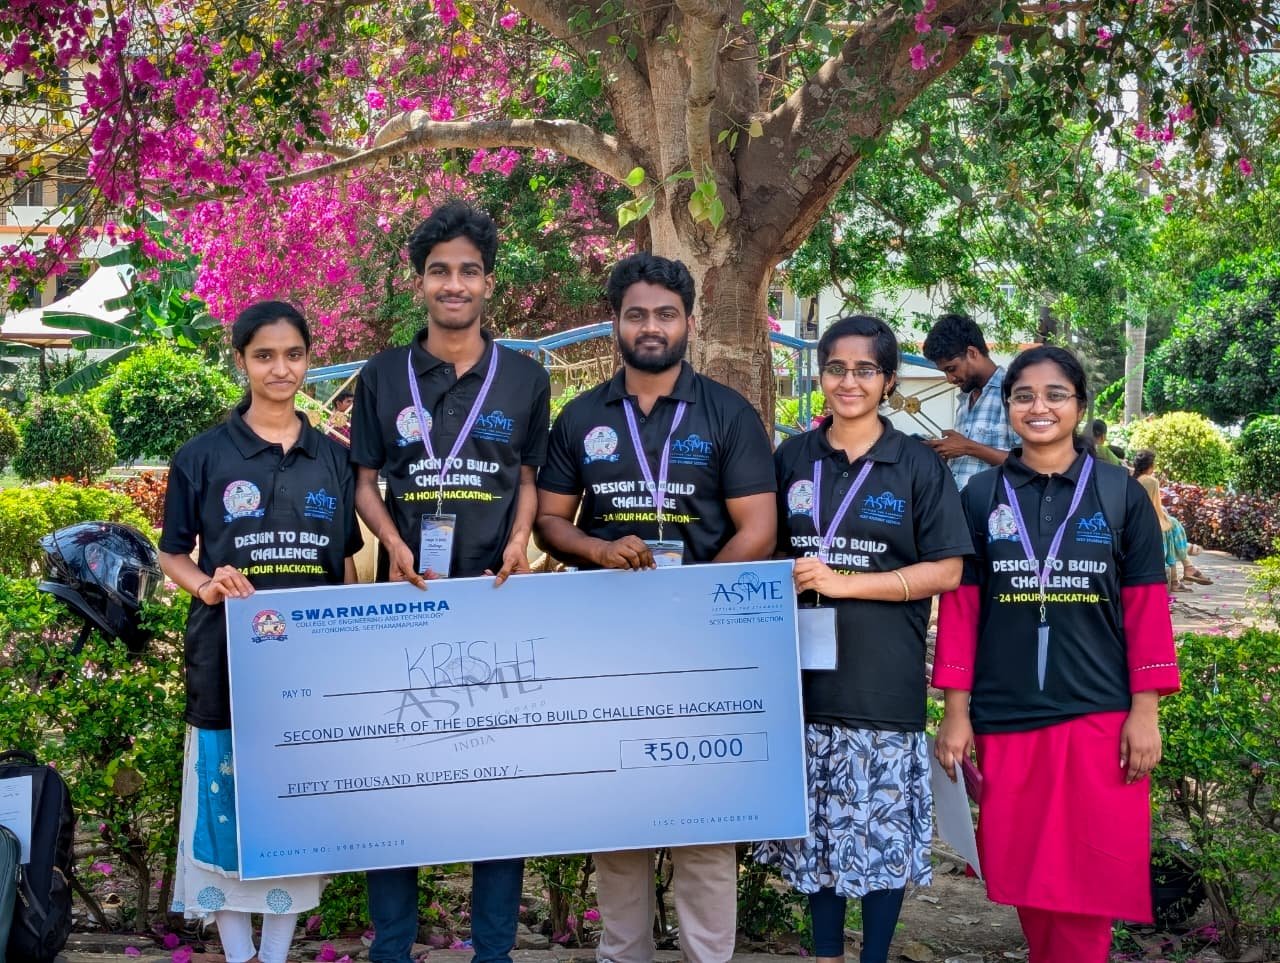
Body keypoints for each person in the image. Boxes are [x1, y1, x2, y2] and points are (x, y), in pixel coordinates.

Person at [535, 252, 776, 963]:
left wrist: (691, 599)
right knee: (619, 814)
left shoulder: (727, 413)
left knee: (704, 819)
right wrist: (599, 548)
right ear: (615, 322)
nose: (651, 326)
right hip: (608, 647)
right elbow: (550, 520)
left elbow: (759, 529)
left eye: (665, 314)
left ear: (688, 323)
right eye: (636, 314)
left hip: (705, 645)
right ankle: (622, 954)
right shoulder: (581, 417)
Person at [348, 201, 550, 963]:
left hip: (495, 604)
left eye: (468, 270)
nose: (454, 284)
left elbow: (528, 477)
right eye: (440, 271)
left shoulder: (525, 377)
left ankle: (493, 951)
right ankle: (392, 948)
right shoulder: (381, 376)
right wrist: (396, 543)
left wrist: (521, 539)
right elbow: (364, 481)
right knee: (400, 783)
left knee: (497, 785)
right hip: (407, 603)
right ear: (420, 282)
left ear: (488, 282)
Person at [932, 344, 1180, 963]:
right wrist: (956, 712)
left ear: (1079, 405)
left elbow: (1145, 607)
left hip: (1099, 714)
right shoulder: (981, 495)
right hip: (1007, 713)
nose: (1038, 407)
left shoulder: (1119, 493)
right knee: (1028, 875)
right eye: (1024, 396)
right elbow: (962, 610)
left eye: (1055, 395)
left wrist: (1145, 710)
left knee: (1091, 878)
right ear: (1008, 406)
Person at [755, 315, 971, 963]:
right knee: (817, 839)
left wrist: (844, 583)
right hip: (803, 682)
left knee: (883, 842)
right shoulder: (792, 458)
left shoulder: (915, 464)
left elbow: (947, 569)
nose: (849, 382)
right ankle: (826, 954)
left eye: (865, 369)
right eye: (836, 368)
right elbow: (761, 549)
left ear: (889, 380)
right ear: (820, 375)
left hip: (883, 681)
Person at [158, 300, 364, 963]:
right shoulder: (201, 456)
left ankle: (274, 955)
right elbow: (172, 553)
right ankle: (238, 954)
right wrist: (206, 586)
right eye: (265, 355)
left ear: (308, 359)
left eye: (293, 354)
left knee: (294, 811)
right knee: (225, 809)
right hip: (224, 662)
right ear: (241, 360)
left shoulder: (334, 460)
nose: (281, 369)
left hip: (307, 674)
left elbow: (344, 565)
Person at [921, 313, 1019, 490]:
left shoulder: (1014, 392)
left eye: (952, 369)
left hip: (997, 506)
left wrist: (967, 447)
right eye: (945, 372)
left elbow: (1030, 464)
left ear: (972, 353)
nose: (950, 379)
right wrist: (944, 452)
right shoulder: (966, 397)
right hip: (957, 503)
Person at [1131, 449, 1212, 590]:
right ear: (1150, 465)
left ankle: (1177, 579)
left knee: (1169, 526)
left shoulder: (1132, 480)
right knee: (1171, 526)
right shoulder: (1151, 481)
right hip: (1146, 522)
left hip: (1135, 521)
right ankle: (1187, 567)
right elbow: (1154, 507)